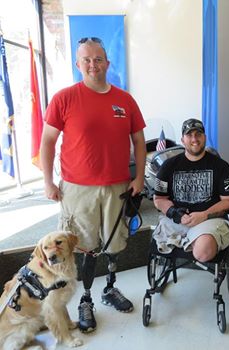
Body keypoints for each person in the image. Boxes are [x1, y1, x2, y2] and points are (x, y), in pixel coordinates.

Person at [40, 37, 146, 333]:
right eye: (86, 60)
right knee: (84, 246)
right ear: (78, 64)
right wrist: (48, 181)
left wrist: (139, 177)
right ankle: (85, 299)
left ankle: (109, 288)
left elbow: (138, 140)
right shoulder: (64, 98)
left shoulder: (125, 100)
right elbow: (47, 141)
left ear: (107, 63)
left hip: (117, 186)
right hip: (78, 189)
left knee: (114, 243)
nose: (92, 65)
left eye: (98, 59)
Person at [153, 118, 229, 262]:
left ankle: (190, 240)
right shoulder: (168, 166)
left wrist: (204, 215)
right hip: (177, 220)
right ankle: (190, 240)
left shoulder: (222, 166)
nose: (194, 139)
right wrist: (175, 213)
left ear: (204, 137)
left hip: (209, 221)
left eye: (198, 134)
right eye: (189, 135)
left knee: (203, 252)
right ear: (182, 139)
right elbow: (159, 199)